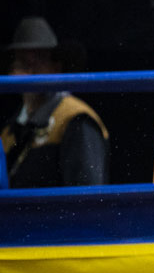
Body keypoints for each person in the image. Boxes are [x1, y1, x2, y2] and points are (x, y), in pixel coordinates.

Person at [1, 16, 108, 188]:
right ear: (12, 72)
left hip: (54, 214)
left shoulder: (75, 118)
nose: (31, 71)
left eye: (39, 60)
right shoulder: (9, 132)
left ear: (56, 68)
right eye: (22, 63)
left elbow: (87, 197)